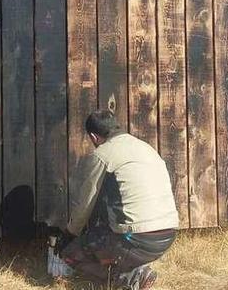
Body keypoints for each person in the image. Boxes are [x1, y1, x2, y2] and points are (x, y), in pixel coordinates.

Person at [59, 109, 179, 290]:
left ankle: (127, 277)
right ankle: (134, 268)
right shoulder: (146, 148)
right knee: (107, 232)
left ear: (93, 136)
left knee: (70, 254)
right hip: (167, 235)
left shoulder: (103, 155)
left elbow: (85, 205)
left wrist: (69, 234)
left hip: (135, 239)